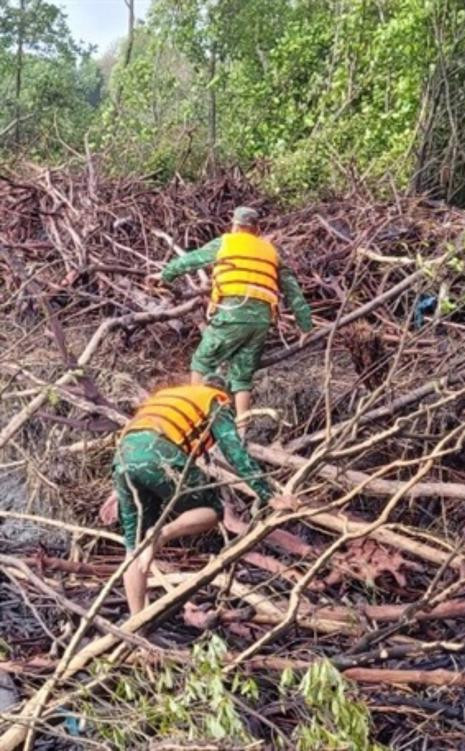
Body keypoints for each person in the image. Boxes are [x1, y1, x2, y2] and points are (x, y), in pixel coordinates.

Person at [98, 377, 293, 614]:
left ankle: (136, 624)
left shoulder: (168, 397)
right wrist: (269, 494)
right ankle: (161, 533)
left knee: (134, 548)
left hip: (123, 459)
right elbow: (235, 452)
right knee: (214, 511)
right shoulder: (215, 401)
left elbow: (137, 444)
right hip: (160, 452)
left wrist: (117, 491)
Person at [147, 206, 313, 420]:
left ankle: (196, 417)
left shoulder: (225, 243)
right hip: (261, 322)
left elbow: (191, 260)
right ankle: (242, 427)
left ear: (234, 225)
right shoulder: (271, 251)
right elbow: (292, 289)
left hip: (231, 315)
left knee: (202, 362)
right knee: (242, 377)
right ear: (257, 229)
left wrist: (166, 275)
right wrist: (305, 325)